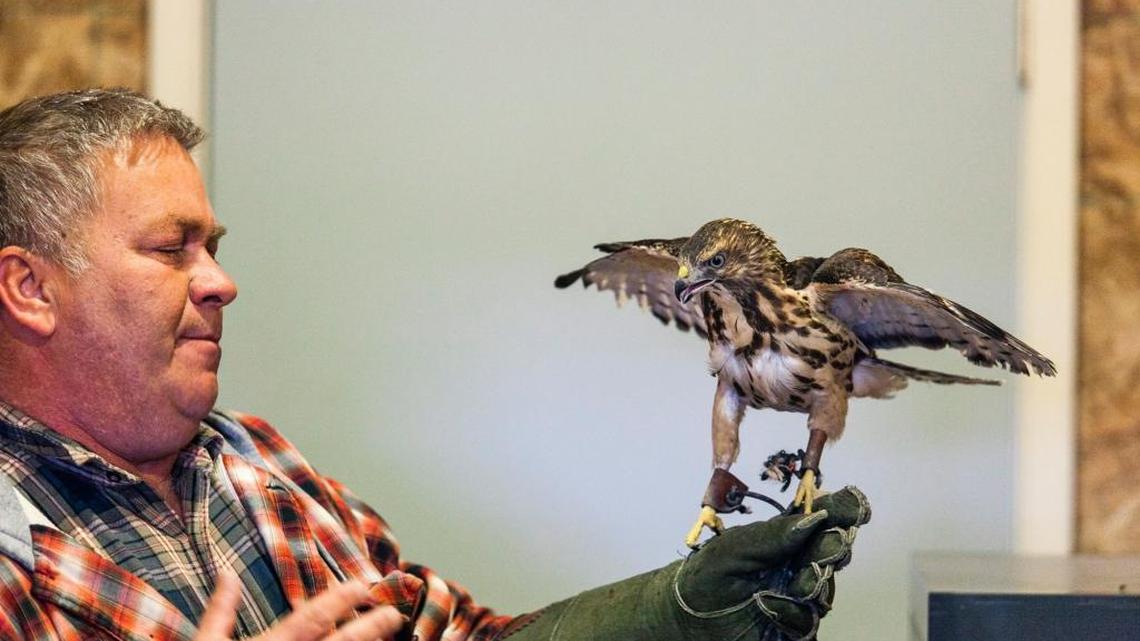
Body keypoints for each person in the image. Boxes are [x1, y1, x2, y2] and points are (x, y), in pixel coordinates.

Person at [0, 88, 870, 641]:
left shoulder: (262, 467)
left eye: (214, 247)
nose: (221, 282)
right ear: (30, 288)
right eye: (170, 249)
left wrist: (678, 611)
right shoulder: (14, 556)